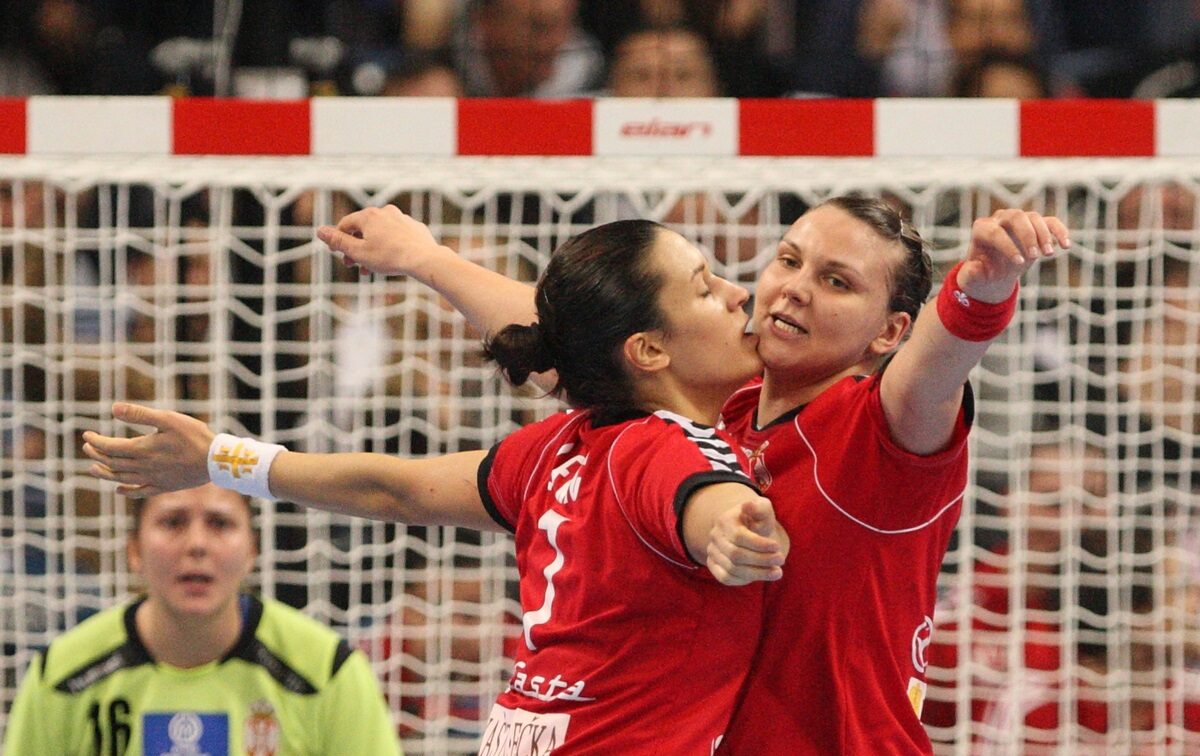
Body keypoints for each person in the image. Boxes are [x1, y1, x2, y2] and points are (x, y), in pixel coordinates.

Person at [311, 196, 1071, 752]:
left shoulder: (880, 432)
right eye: (790, 259)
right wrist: (424, 258)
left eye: (838, 283)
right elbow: (593, 335)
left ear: (889, 332)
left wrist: (985, 284)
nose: (795, 287)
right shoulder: (715, 404)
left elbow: (938, 366)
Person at [81, 217, 790, 753]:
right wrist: (730, 528)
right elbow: (702, 496)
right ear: (648, 349)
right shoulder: (667, 447)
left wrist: (221, 458)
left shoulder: (558, 447)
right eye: (705, 285)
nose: (739, 295)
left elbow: (395, 490)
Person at [3, 483, 401, 755]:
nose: (196, 544)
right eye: (173, 522)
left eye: (220, 523)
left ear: (252, 551)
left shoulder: (327, 672)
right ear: (134, 550)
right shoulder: (62, 676)